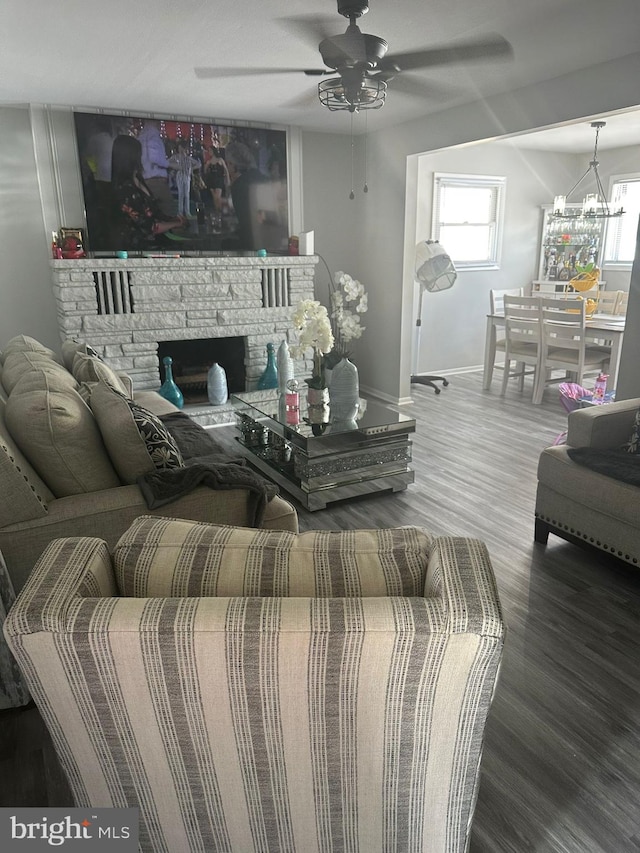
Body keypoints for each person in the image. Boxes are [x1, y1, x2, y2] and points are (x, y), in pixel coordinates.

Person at [111, 134, 186, 250]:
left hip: (156, 239)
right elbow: (149, 227)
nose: (142, 157)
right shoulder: (125, 190)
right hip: (140, 247)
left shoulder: (138, 178)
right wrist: (176, 224)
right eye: (139, 154)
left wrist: (174, 220)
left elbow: (154, 212)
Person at [137, 120, 173, 216]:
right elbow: (154, 158)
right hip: (157, 181)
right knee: (166, 212)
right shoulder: (153, 135)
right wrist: (170, 165)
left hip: (144, 181)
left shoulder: (140, 137)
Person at [167, 140, 201, 218]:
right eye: (179, 147)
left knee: (186, 194)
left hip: (187, 176)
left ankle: (187, 212)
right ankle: (180, 212)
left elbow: (198, 164)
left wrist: (191, 168)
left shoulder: (188, 158)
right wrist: (174, 168)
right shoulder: (175, 157)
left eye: (181, 147)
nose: (180, 149)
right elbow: (167, 162)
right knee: (181, 194)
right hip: (180, 176)